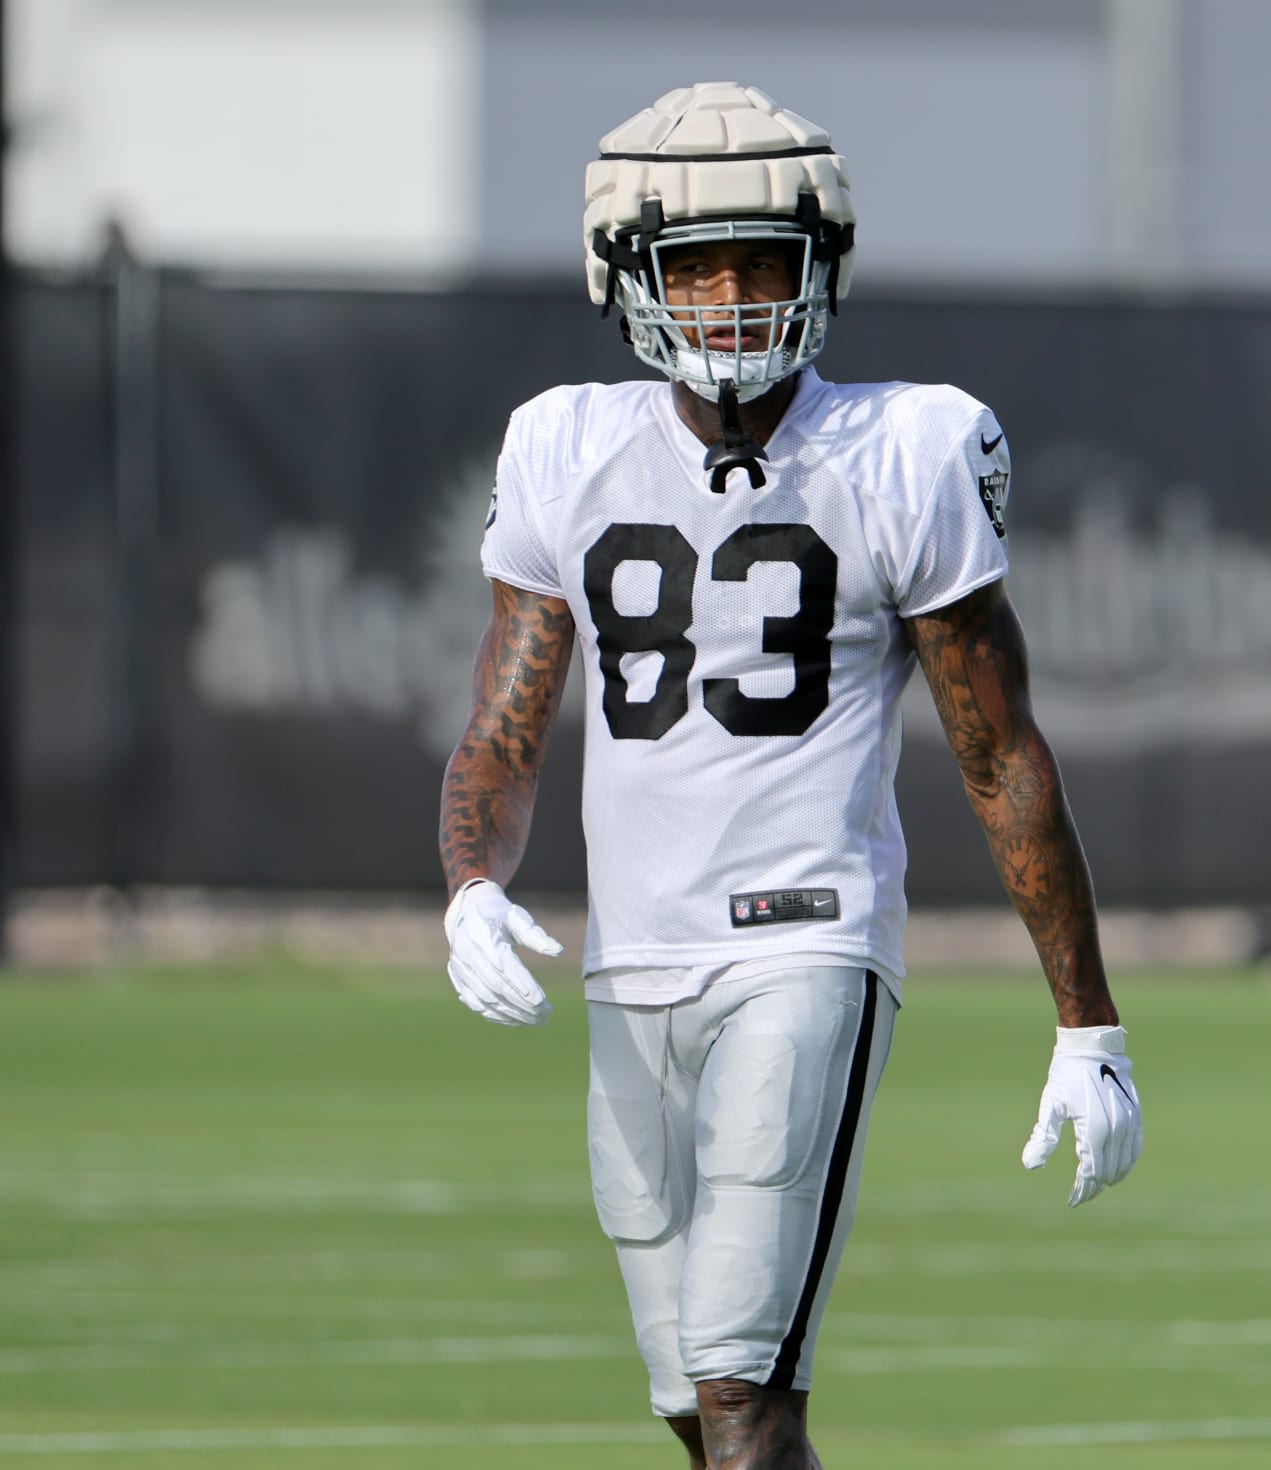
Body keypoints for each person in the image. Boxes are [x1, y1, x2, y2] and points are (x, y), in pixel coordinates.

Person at [437, 82, 1142, 1470]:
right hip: (634, 960)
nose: (734, 295)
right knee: (695, 1412)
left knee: (745, 1394)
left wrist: (1087, 1019)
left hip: (805, 947)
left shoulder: (905, 449)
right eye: (696, 264)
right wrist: (471, 882)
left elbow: (999, 754)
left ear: (824, 262)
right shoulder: (565, 446)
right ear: (624, 274)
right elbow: (506, 719)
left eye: (764, 258)